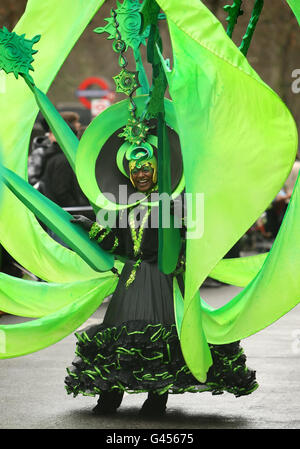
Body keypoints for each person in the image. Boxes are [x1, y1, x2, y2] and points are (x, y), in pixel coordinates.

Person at [65, 150, 258, 417]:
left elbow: (195, 237)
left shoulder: (174, 202)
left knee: (161, 337)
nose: (141, 174)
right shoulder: (125, 206)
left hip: (162, 279)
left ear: (156, 171)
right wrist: (92, 228)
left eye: (146, 168)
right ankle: (109, 396)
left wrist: (180, 227)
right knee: (120, 337)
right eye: (135, 169)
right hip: (131, 279)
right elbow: (122, 246)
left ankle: (157, 399)